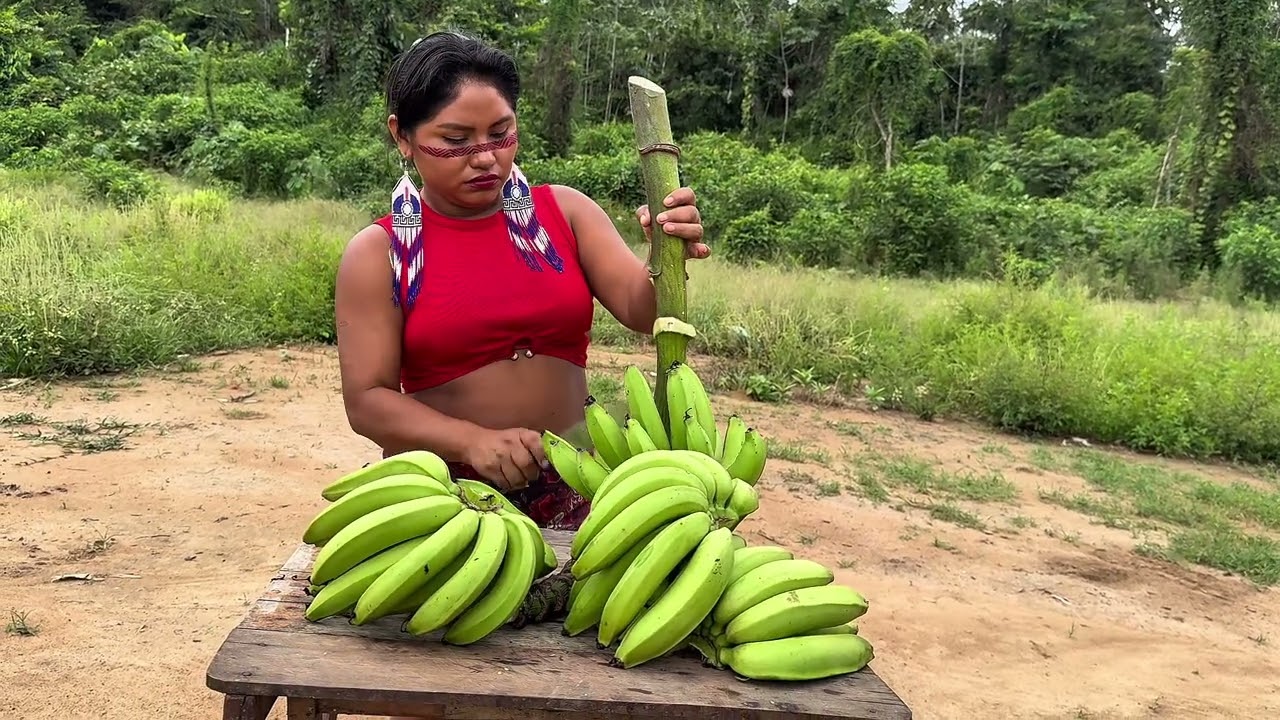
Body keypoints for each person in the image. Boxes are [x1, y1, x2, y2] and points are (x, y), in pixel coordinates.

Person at [333, 31, 709, 533]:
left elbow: (643, 311)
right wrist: (472, 442)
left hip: (582, 471)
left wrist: (666, 249)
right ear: (403, 137)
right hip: (448, 491)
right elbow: (367, 401)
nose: (486, 157)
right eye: (455, 140)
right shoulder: (380, 253)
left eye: (500, 132)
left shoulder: (567, 213)